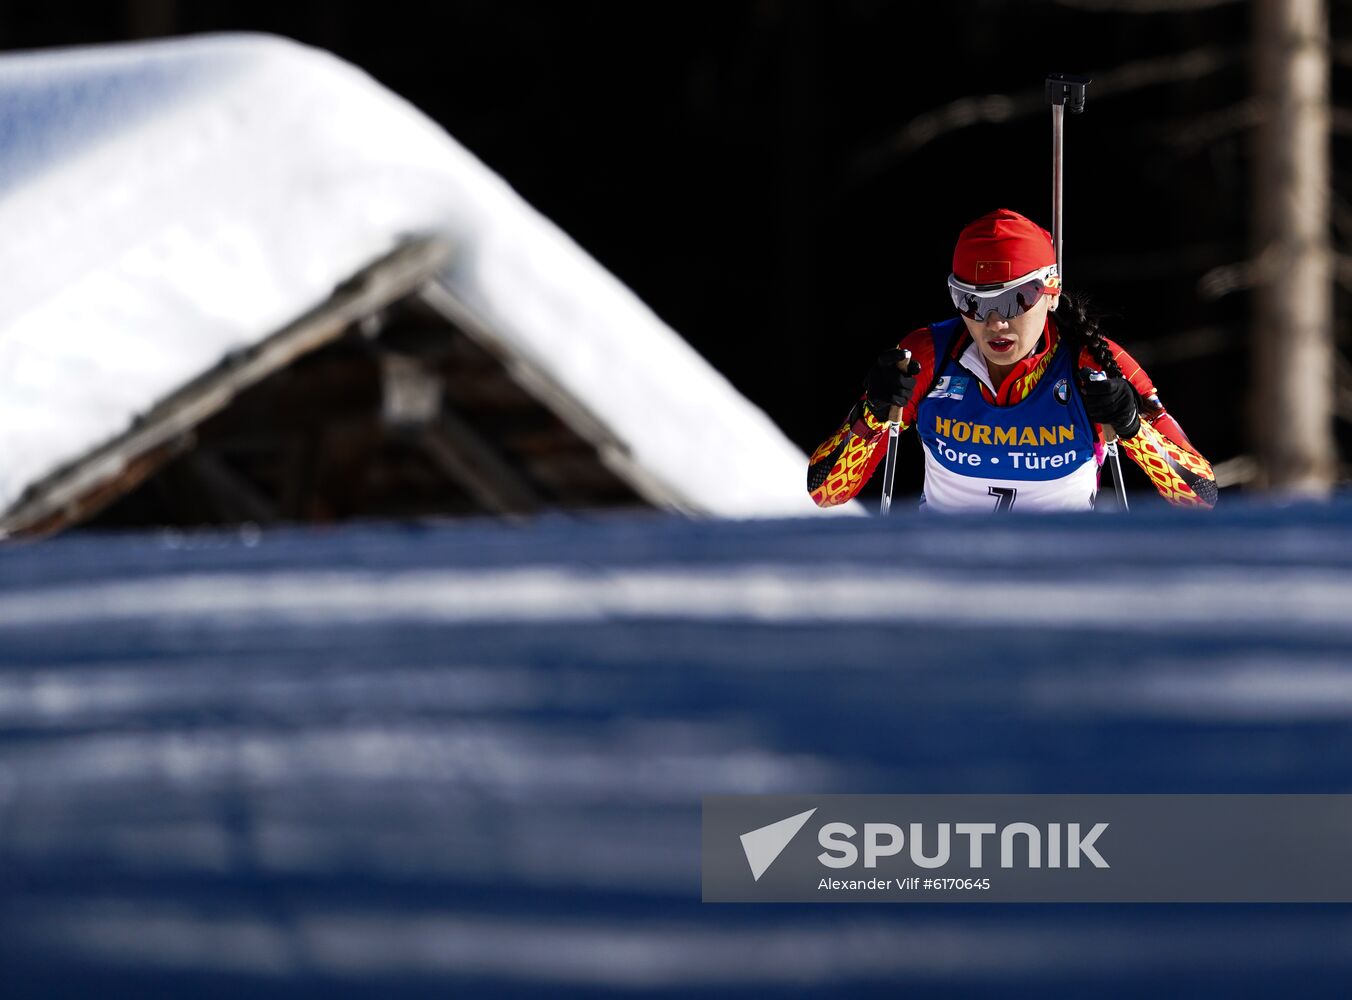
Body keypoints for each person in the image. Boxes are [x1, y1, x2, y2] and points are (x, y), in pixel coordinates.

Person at [807, 208, 1217, 512]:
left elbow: (1200, 494)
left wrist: (1132, 429)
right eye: (972, 301)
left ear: (1051, 293)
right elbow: (826, 490)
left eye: (1015, 299)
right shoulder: (927, 357)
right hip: (947, 572)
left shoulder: (1093, 364)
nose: (995, 322)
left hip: (1060, 581)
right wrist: (873, 413)